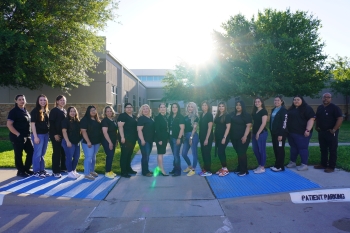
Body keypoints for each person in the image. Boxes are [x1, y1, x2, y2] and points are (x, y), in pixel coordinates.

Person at [314, 93, 343, 173]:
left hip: (331, 132)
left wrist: (334, 129)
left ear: (331, 99)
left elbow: (340, 118)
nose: (326, 99)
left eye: (328, 97)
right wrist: (316, 126)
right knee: (323, 149)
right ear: (322, 98)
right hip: (322, 132)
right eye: (324, 97)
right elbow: (317, 118)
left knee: (332, 150)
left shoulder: (335, 108)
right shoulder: (320, 107)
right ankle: (323, 164)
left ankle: (331, 166)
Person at [7, 94, 34, 177]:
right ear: (16, 101)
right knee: (19, 154)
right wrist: (18, 134)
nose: (22, 101)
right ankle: (20, 171)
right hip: (17, 136)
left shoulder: (25, 111)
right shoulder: (14, 112)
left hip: (27, 136)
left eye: (23, 99)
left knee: (31, 151)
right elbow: (9, 125)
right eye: (19, 99)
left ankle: (26, 169)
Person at [286, 95, 316, 171]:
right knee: (293, 148)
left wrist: (308, 130)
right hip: (291, 133)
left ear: (302, 100)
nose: (296, 101)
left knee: (302, 148)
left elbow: (311, 119)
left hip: (302, 133)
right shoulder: (291, 109)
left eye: (298, 99)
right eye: (294, 99)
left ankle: (304, 164)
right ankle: (293, 162)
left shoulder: (307, 108)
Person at [229, 100, 252, 177]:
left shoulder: (246, 115)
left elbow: (248, 126)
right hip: (234, 137)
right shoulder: (232, 114)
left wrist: (245, 136)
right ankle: (240, 168)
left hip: (243, 138)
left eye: (240, 105)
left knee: (242, 153)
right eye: (237, 105)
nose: (238, 106)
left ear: (243, 106)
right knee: (239, 153)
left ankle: (244, 170)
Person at [30, 94, 50, 178]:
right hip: (38, 135)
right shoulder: (35, 111)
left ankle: (42, 170)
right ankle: (36, 171)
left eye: (44, 100)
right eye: (41, 100)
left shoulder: (46, 111)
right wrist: (35, 137)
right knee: (37, 154)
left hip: (46, 134)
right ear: (38, 101)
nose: (43, 101)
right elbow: (32, 124)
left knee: (42, 153)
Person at [81, 105, 102, 180]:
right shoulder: (85, 119)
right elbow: (83, 131)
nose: (93, 111)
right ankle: (87, 173)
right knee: (89, 157)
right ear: (88, 112)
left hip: (96, 142)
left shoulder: (96, 120)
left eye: (94, 110)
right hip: (88, 142)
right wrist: (88, 141)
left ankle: (92, 171)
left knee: (93, 157)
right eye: (91, 110)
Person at [117, 103, 138, 178]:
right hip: (125, 139)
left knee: (129, 154)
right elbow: (120, 127)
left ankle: (129, 169)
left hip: (132, 139)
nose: (129, 109)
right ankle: (124, 172)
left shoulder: (134, 117)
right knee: (124, 155)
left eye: (130, 107)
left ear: (132, 108)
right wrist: (122, 137)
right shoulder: (122, 116)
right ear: (125, 109)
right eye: (127, 107)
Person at [49, 95, 67, 178]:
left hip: (64, 135)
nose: (62, 102)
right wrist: (55, 134)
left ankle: (63, 168)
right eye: (61, 100)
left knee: (63, 152)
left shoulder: (65, 111)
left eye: (64, 100)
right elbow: (51, 123)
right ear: (57, 101)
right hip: (56, 135)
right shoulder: (54, 111)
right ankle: (56, 171)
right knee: (57, 153)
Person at [61, 106, 82, 179]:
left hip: (76, 142)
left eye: (74, 111)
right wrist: (67, 141)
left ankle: (73, 170)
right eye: (71, 111)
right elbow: (64, 131)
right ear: (68, 112)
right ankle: (69, 172)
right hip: (68, 142)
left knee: (76, 157)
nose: (73, 113)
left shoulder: (77, 121)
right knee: (69, 157)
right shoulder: (65, 120)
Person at [269, 95, 288, 172]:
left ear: (281, 101)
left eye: (278, 100)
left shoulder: (283, 110)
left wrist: (281, 134)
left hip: (280, 134)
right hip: (274, 133)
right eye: (275, 100)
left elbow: (284, 123)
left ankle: (280, 166)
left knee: (280, 149)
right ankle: (277, 164)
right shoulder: (274, 109)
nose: (276, 102)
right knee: (276, 149)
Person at [182, 102, 200, 177]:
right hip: (186, 136)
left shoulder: (196, 117)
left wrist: (191, 137)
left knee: (194, 153)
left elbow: (194, 128)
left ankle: (193, 169)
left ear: (194, 108)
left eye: (192, 107)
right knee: (183, 153)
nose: (190, 108)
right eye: (189, 106)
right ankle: (189, 166)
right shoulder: (185, 116)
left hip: (193, 135)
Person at [251, 97, 268, 174]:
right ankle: (260, 164)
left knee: (262, 150)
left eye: (258, 101)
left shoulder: (263, 111)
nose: (257, 103)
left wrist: (258, 133)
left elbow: (264, 123)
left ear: (261, 103)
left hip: (262, 133)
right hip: (254, 133)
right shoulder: (255, 111)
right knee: (255, 150)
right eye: (256, 102)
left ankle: (262, 167)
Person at [137, 104, 155, 177]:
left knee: (147, 156)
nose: (145, 110)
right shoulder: (141, 118)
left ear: (149, 110)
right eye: (143, 109)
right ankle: (145, 172)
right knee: (145, 156)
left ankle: (146, 170)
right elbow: (139, 130)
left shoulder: (150, 118)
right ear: (141, 110)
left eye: (147, 108)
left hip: (149, 140)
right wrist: (142, 140)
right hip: (144, 141)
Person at [214, 102, 231, 177]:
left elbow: (228, 127)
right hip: (218, 136)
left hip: (224, 137)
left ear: (225, 107)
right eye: (220, 106)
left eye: (222, 106)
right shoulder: (218, 115)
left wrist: (224, 137)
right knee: (221, 152)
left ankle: (225, 169)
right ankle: (223, 167)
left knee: (220, 152)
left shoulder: (227, 115)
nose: (221, 107)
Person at [168, 103, 185, 176]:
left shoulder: (180, 117)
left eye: (176, 107)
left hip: (177, 138)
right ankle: (175, 168)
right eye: (173, 107)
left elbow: (182, 128)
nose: (174, 108)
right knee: (174, 154)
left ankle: (178, 171)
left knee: (176, 155)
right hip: (171, 138)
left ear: (178, 108)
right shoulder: (170, 117)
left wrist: (179, 138)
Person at [101, 106, 118, 178]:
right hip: (107, 140)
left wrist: (116, 140)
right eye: (107, 111)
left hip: (113, 140)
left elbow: (115, 131)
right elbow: (105, 133)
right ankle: (107, 172)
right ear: (105, 112)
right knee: (110, 155)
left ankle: (110, 171)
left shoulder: (112, 120)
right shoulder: (105, 121)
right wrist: (110, 142)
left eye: (110, 111)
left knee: (111, 156)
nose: (109, 112)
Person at [199, 101, 214, 177]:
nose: (204, 106)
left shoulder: (209, 115)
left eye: (205, 105)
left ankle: (208, 171)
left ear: (208, 106)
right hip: (202, 137)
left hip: (207, 138)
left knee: (207, 154)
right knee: (204, 154)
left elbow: (210, 128)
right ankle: (205, 169)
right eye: (203, 105)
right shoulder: (202, 115)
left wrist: (206, 139)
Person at [154, 103, 169, 176]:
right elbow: (157, 129)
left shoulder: (165, 117)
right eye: (161, 107)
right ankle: (162, 170)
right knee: (160, 153)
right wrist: (159, 139)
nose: (162, 108)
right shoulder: (158, 117)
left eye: (164, 107)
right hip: (160, 138)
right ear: (159, 109)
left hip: (164, 138)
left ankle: (159, 168)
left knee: (160, 153)